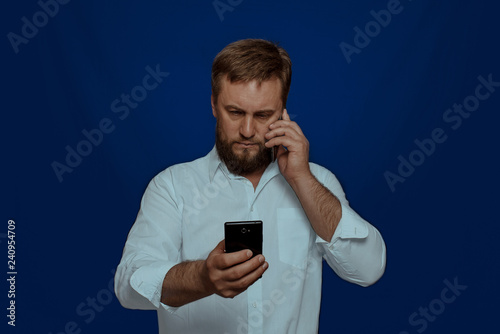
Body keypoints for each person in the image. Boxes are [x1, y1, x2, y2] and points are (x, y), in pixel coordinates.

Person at [115, 38, 386, 334]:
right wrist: (202, 278)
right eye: (235, 112)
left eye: (262, 115)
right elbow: (129, 286)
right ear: (213, 104)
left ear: (283, 111)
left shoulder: (316, 182)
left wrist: (301, 179)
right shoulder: (171, 187)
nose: (247, 130)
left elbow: (368, 269)